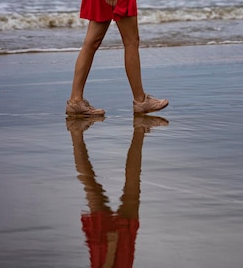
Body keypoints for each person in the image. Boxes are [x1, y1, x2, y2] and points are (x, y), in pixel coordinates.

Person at [66, 115, 168, 268]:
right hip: (114, 251)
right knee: (93, 187)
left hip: (113, 250)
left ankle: (138, 133)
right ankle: (76, 134)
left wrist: (112, 247)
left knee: (128, 188)